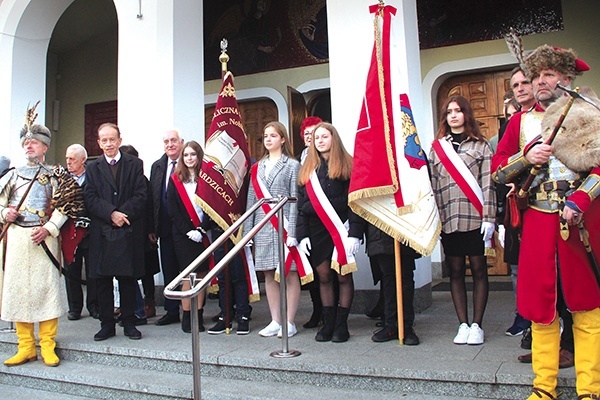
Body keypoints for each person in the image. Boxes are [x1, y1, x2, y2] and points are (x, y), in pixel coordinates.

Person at [492, 44, 600, 400]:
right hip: (538, 220)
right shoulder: (519, 123)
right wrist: (526, 157)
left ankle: (590, 389)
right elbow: (497, 172)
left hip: (579, 220)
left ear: (566, 79)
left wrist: (581, 198)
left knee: (586, 304)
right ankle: (543, 387)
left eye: (548, 75)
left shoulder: (588, 112)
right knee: (542, 307)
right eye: (536, 76)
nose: (540, 82)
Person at [1, 106, 72, 367]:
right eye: (27, 142)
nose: (29, 146)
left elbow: (66, 207)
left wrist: (50, 229)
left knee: (46, 291)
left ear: (45, 147)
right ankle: (25, 346)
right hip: (18, 239)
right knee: (19, 292)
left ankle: (48, 345)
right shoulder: (10, 176)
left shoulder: (56, 175)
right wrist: (4, 212)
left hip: (44, 238)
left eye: (35, 142)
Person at [429, 95, 496, 346]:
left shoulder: (481, 146)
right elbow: (434, 187)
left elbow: (488, 184)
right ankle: (463, 324)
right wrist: (436, 220)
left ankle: (477, 324)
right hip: (450, 219)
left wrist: (489, 217)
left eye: (458, 111)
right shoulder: (437, 149)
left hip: (476, 218)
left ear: (466, 114)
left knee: (479, 270)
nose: (454, 115)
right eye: (449, 112)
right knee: (455, 271)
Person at [297, 122, 362, 343]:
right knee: (323, 275)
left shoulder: (348, 165)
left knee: (343, 275)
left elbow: (355, 203)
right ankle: (328, 322)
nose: (321, 141)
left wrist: (355, 232)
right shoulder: (307, 169)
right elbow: (301, 206)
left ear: (334, 138)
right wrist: (302, 235)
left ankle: (342, 325)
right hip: (316, 230)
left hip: (341, 227)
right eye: (317, 138)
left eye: (325, 137)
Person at [84, 123, 147, 341]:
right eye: (104, 140)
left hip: (128, 229)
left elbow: (141, 194)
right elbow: (89, 198)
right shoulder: (92, 167)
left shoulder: (135, 164)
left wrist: (122, 214)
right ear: (99, 143)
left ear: (120, 140)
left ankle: (129, 323)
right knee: (102, 280)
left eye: (112, 139)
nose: (109, 144)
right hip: (102, 230)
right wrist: (111, 214)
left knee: (127, 278)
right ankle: (107, 325)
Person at [243, 122, 302, 337]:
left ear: (283, 139)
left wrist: (293, 232)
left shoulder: (292, 165)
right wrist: (248, 231)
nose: (268, 139)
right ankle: (276, 320)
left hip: (284, 226)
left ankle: (290, 321)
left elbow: (295, 200)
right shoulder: (257, 167)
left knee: (290, 273)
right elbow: (252, 200)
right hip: (263, 226)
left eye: (273, 136)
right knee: (269, 273)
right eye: (266, 136)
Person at [167, 141, 210, 333]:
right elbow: (172, 209)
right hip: (183, 235)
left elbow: (212, 208)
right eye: (186, 155)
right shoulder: (175, 179)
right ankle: (187, 317)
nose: (189, 158)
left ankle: (198, 315)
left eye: (193, 155)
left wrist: (202, 229)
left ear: (199, 157)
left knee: (201, 275)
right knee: (188, 275)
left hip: (203, 234)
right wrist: (188, 231)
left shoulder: (208, 179)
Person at [360, 222, 421, 345]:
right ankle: (390, 324)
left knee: (406, 278)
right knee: (388, 279)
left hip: (405, 228)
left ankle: (406, 326)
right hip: (381, 231)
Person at [149, 129, 185, 325]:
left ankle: (191, 311)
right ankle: (172, 311)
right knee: (169, 270)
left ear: (182, 142)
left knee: (188, 270)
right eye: (166, 142)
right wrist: (152, 227)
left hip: (186, 228)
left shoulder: (190, 161)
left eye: (173, 141)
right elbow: (153, 198)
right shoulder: (157, 166)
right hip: (165, 227)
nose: (170, 144)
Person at [63, 144, 98, 321]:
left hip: (91, 232)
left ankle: (93, 305)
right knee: (71, 270)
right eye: (67, 159)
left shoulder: (94, 177)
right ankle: (74, 308)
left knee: (93, 270)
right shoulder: (62, 179)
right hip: (70, 232)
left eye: (72, 159)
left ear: (83, 160)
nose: (68, 162)